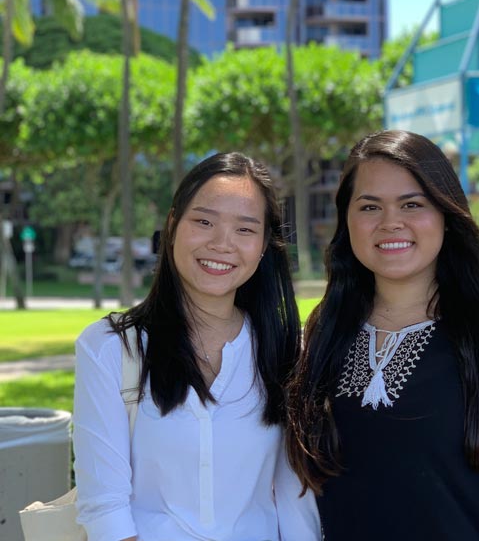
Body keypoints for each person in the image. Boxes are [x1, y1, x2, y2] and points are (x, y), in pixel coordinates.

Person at [287, 130, 479, 540]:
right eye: (370, 206)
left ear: (445, 212)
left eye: (412, 204)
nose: (391, 222)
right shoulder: (326, 331)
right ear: (347, 219)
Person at [73, 152, 320, 541]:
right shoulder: (110, 347)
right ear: (173, 225)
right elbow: (105, 507)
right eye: (204, 221)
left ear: (263, 245)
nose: (222, 244)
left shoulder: (288, 349)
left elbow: (294, 497)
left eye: (245, 229)